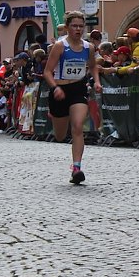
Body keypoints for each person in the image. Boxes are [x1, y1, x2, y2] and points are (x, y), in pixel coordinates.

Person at [43, 11, 102, 185]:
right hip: (60, 90)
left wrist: (97, 81)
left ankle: (76, 168)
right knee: (60, 136)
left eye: (81, 26)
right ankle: (55, 115)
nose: (78, 29)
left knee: (77, 126)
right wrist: (55, 88)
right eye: (74, 26)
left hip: (78, 89)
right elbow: (47, 71)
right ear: (67, 27)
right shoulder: (60, 46)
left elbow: (93, 66)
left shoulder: (88, 47)